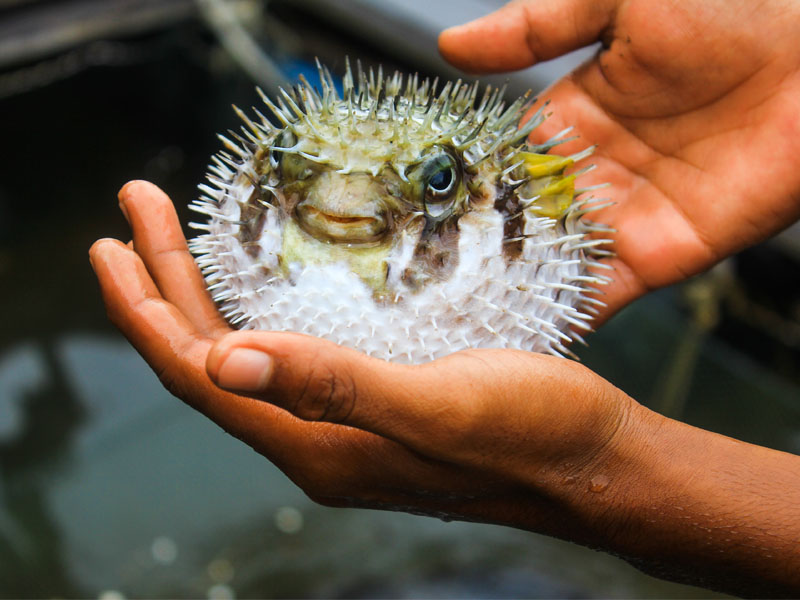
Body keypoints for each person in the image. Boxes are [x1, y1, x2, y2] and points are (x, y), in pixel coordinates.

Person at [89, 0, 800, 595]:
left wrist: (604, 466)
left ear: (515, 207)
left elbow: (557, 190)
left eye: (434, 185)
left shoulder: (533, 217)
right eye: (290, 173)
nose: (344, 204)